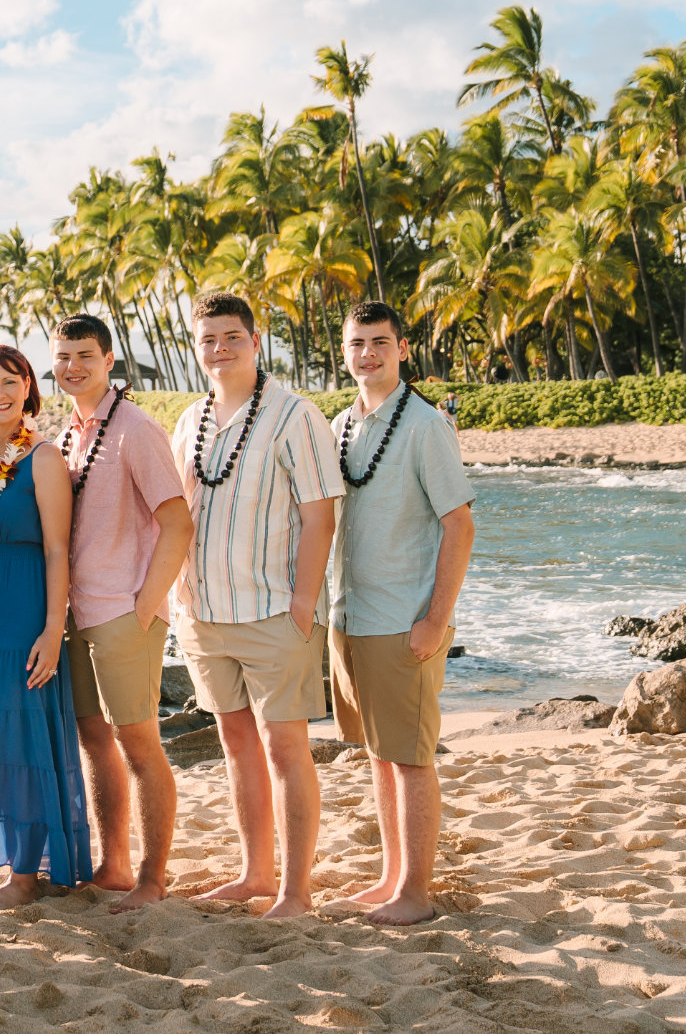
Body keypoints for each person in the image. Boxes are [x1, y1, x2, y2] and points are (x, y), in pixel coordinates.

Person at [169, 291, 343, 918]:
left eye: (231, 337)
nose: (219, 349)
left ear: (255, 339)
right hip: (202, 612)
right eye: (208, 339)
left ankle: (295, 892)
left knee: (286, 750)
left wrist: (304, 601)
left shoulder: (296, 415)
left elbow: (320, 514)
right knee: (236, 745)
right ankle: (255, 874)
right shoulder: (190, 420)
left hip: (274, 611)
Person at [331, 302, 476, 925]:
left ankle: (416, 893)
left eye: (379, 343)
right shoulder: (341, 424)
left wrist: (435, 621)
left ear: (403, 348)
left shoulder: (424, 424)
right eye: (357, 343)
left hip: (402, 618)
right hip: (350, 616)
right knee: (378, 753)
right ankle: (392, 877)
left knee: (412, 758)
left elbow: (459, 527)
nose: (368, 354)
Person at [50, 314, 193, 912]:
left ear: (110, 361)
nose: (73, 366)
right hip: (76, 614)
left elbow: (178, 521)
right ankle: (112, 866)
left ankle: (152, 878)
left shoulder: (135, 429)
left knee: (139, 742)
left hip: (122, 614)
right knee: (93, 740)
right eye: (63, 357)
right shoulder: (67, 434)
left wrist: (144, 607)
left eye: (85, 355)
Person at [0, 345, 89, 907]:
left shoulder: (44, 457)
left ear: (28, 386)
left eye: (9, 381)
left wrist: (54, 629)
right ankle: (9, 860)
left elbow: (58, 550)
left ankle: (27, 875)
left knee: (23, 734)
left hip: (23, 607)